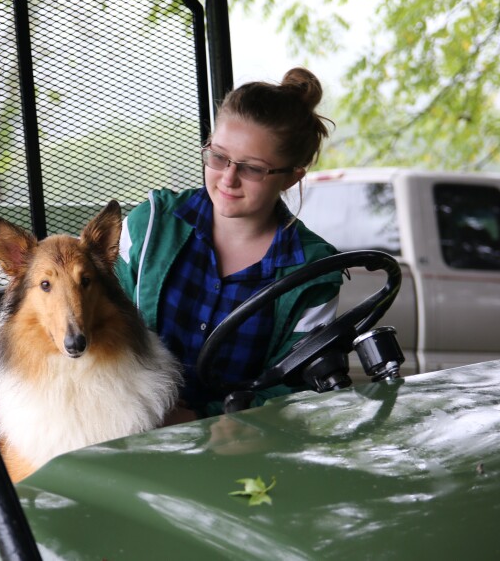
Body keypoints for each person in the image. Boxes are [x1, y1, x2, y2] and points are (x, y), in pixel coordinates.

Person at [116, 67, 342, 422]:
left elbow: (297, 389)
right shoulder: (149, 228)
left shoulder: (311, 274)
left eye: (252, 168)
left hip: (238, 445)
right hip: (128, 425)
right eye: (218, 157)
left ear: (291, 176)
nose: (228, 178)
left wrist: (206, 419)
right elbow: (95, 324)